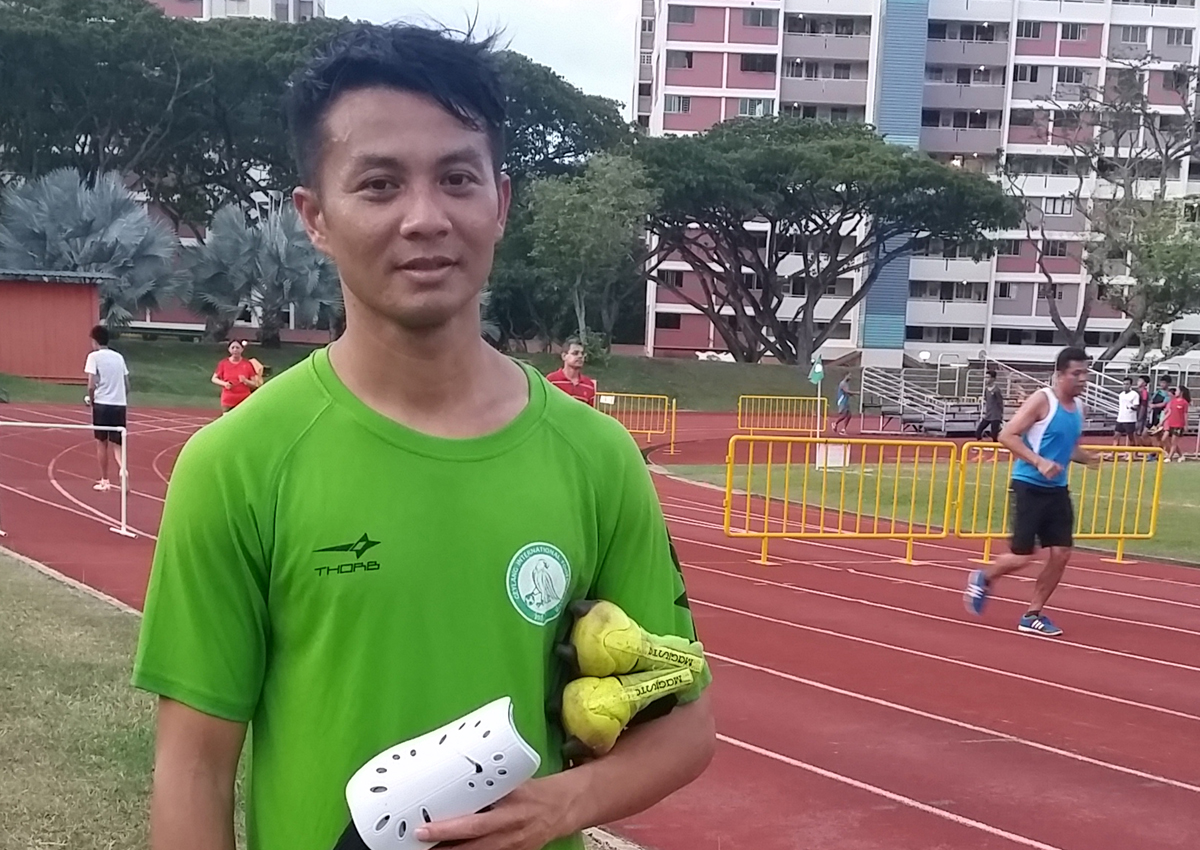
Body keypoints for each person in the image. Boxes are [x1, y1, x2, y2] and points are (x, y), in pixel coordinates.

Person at [132, 24, 714, 850]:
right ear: (315, 217)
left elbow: (684, 725)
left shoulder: (597, 457)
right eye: (379, 185)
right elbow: (192, 771)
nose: (425, 218)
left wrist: (562, 804)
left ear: (499, 203)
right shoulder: (237, 464)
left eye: (456, 179)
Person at [964, 347, 1098, 638]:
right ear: (1060, 374)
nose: (1082, 379)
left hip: (1057, 490)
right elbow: (1006, 435)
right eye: (1076, 373)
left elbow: (1067, 447)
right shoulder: (1042, 400)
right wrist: (1038, 462)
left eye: (1085, 373)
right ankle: (984, 576)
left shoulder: (1080, 409)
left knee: (1061, 553)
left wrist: (1090, 458)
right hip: (1029, 486)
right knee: (1023, 556)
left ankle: (1032, 614)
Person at [83, 325, 130, 492]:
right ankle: (123, 469)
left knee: (101, 442)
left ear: (94, 341)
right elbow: (127, 385)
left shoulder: (94, 357)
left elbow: (91, 383)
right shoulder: (119, 357)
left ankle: (105, 480)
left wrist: (92, 399)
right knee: (118, 443)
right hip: (119, 404)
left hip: (102, 404)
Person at [211, 339, 262, 413]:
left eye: (237, 347)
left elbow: (255, 384)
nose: (235, 350)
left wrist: (246, 381)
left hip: (244, 399)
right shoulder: (223, 363)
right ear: (229, 349)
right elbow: (214, 379)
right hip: (228, 400)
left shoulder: (247, 364)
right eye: (233, 347)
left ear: (242, 349)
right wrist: (225, 384)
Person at [546, 338, 597, 406]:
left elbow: (590, 410)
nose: (580, 356)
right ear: (564, 356)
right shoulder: (551, 380)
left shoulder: (589, 385)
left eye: (582, 354)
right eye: (575, 353)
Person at [1163, 385, 1191, 462]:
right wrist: (1163, 421)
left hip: (1179, 425)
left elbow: (1185, 414)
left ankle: (1169, 457)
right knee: (1165, 439)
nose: (1175, 392)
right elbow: (1170, 412)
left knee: (1174, 442)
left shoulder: (1184, 403)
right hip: (1171, 423)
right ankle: (1181, 455)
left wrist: (1186, 425)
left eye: (1177, 390)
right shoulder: (1173, 401)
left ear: (1181, 392)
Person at [975, 369, 1004, 442]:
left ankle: (996, 446)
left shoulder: (996, 390)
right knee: (978, 431)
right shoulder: (986, 390)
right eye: (985, 377)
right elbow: (987, 400)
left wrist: (1000, 415)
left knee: (994, 434)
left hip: (995, 416)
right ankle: (980, 443)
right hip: (988, 415)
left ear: (993, 379)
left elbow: (1000, 402)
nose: (986, 379)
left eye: (988, 377)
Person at [1115, 376, 1139, 447]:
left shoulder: (1134, 394)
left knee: (1131, 437)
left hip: (1130, 419)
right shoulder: (1121, 395)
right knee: (1116, 436)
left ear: (1130, 385)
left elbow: (1136, 406)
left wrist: (1130, 407)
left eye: (1127, 384)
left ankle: (1134, 451)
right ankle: (1113, 452)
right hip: (1120, 418)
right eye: (1124, 384)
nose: (1125, 386)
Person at [1134, 375, 1150, 444]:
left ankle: (1149, 448)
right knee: (1135, 434)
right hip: (1136, 414)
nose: (1138, 382)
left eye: (1140, 381)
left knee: (1139, 434)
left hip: (1140, 415)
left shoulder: (1144, 392)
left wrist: (1140, 417)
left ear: (1144, 383)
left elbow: (1143, 405)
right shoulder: (1136, 392)